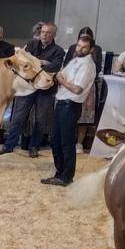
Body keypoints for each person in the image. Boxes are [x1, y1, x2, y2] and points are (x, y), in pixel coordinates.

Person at [0, 22, 66, 158]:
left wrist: (34, 65)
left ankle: (34, 147)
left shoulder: (59, 51)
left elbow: (54, 67)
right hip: (26, 87)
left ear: (54, 35)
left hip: (46, 89)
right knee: (18, 117)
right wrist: (42, 63)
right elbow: (21, 62)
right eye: (43, 32)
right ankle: (8, 145)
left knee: (40, 120)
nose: (44, 35)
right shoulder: (31, 44)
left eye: (48, 33)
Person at [42, 31, 96, 187]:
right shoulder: (75, 60)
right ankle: (59, 173)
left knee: (66, 142)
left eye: (84, 47)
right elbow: (60, 74)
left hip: (70, 105)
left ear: (91, 49)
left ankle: (66, 176)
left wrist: (62, 81)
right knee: (56, 141)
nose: (80, 49)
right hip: (61, 103)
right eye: (79, 45)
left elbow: (77, 89)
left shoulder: (87, 65)